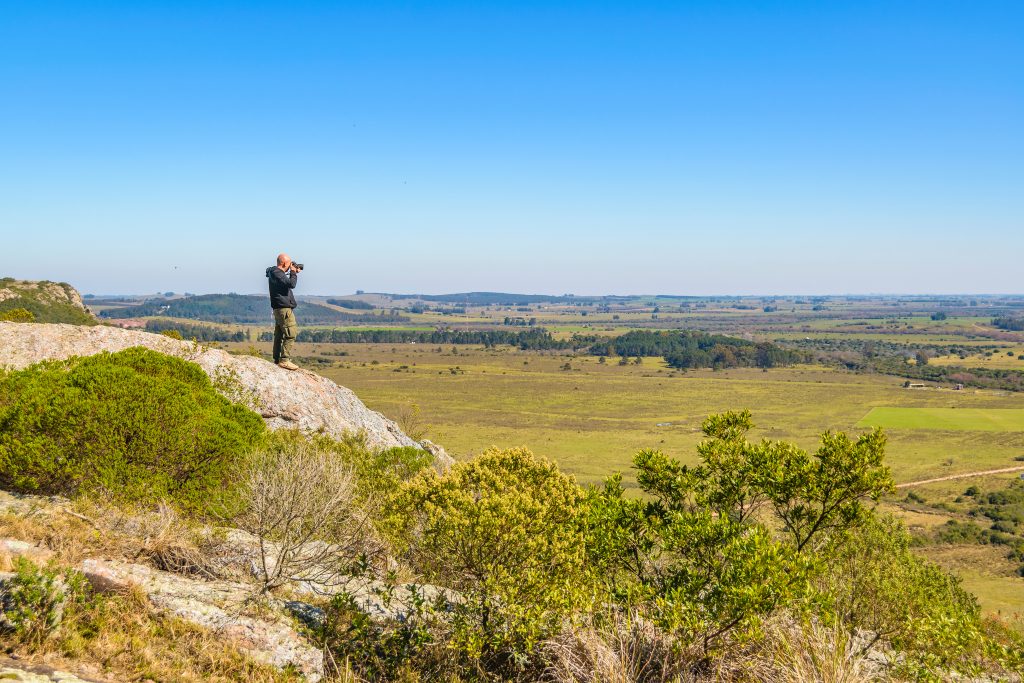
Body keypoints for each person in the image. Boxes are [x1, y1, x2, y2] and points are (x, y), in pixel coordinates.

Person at [266, 253, 301, 370]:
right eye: (289, 263)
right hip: (284, 309)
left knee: (279, 334)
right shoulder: (278, 273)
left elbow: (285, 282)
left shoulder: (274, 273)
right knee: (291, 334)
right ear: (284, 263)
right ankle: (284, 360)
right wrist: (293, 272)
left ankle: (276, 359)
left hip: (278, 309)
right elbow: (291, 284)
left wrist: (292, 272)